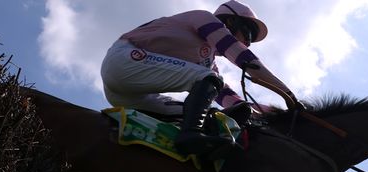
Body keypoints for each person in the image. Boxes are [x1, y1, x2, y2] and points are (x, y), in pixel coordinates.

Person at [100, 1, 300, 158]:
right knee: (209, 79)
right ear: (230, 22)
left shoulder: (208, 62)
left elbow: (230, 100)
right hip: (123, 60)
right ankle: (190, 136)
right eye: (248, 33)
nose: (248, 42)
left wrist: (274, 114)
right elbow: (247, 62)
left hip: (129, 97)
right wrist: (290, 96)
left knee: (213, 114)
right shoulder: (204, 19)